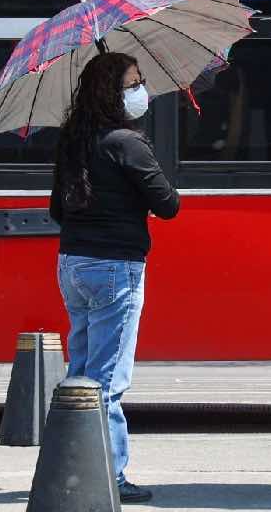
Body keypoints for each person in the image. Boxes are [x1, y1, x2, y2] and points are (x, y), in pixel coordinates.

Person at [50, 52, 180, 505]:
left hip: (73, 264)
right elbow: (168, 204)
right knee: (107, 381)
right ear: (111, 92)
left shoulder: (72, 139)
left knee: (80, 373)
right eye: (133, 83)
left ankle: (69, 469)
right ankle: (109, 475)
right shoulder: (128, 143)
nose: (140, 91)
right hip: (116, 268)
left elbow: (57, 209)